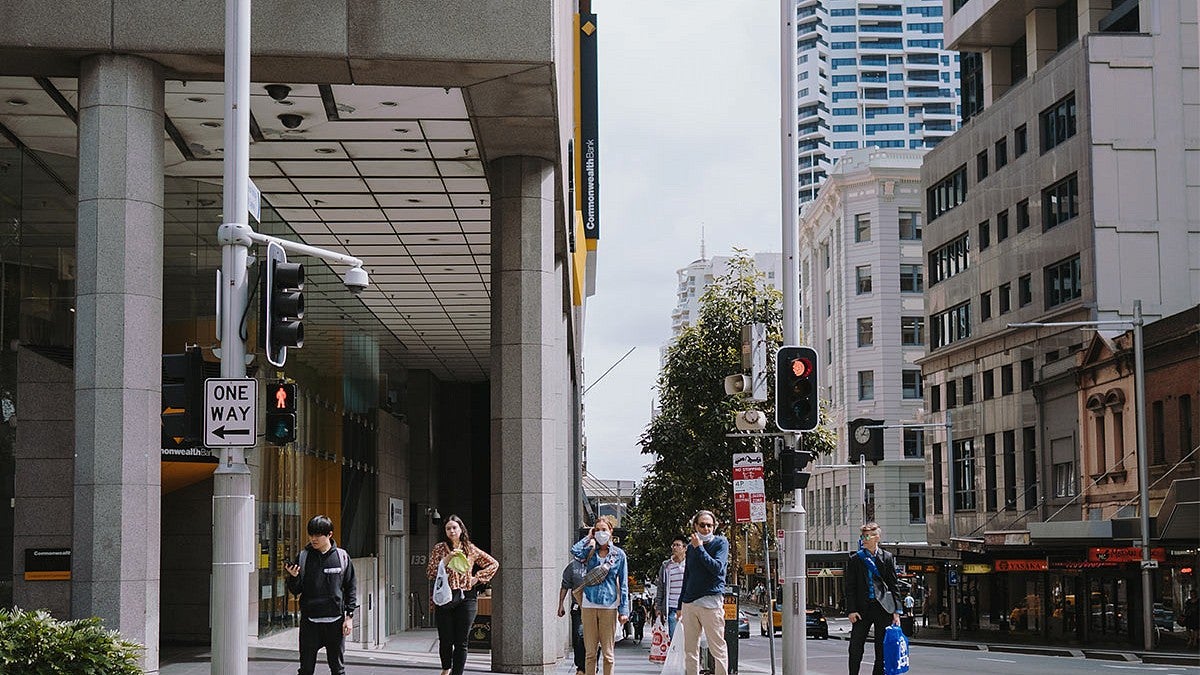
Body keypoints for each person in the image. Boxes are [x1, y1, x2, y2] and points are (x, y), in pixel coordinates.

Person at [425, 515, 499, 675]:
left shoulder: (470, 548)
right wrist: (447, 559)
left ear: (461, 529)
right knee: (445, 639)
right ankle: (446, 668)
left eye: (454, 528)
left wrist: (476, 579)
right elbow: (430, 572)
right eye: (448, 528)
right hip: (444, 597)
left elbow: (493, 564)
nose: (452, 531)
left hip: (466, 597)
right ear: (445, 531)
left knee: (462, 641)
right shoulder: (439, 548)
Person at [284, 515, 358, 675]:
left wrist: (349, 617)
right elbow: (295, 590)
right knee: (306, 670)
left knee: (337, 669)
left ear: (329, 535)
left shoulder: (342, 557)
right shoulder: (303, 557)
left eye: (318, 535)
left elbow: (351, 587)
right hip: (310, 622)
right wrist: (293, 577)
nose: (313, 539)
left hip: (335, 622)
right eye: (311, 534)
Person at [570, 515, 630, 675]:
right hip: (588, 604)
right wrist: (588, 537)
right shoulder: (589, 552)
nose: (600, 533)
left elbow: (623, 584)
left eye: (604, 530)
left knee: (608, 655)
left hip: (609, 606)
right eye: (597, 530)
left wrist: (624, 610)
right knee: (590, 654)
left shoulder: (619, 555)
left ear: (611, 531)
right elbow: (574, 551)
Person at [844, 522, 901, 675]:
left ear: (877, 537)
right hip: (862, 609)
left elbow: (893, 585)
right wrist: (851, 610)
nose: (864, 539)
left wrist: (896, 612)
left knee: (881, 648)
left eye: (867, 536)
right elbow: (850, 587)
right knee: (855, 646)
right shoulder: (856, 559)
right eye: (862, 536)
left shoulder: (887, 557)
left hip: (882, 608)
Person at [678, 510, 729, 675]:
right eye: (702, 525)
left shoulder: (721, 543)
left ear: (714, 527)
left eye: (709, 525)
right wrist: (680, 604)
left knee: (718, 648)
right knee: (690, 650)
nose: (706, 528)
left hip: (711, 602)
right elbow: (688, 575)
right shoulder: (691, 547)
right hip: (690, 603)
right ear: (695, 526)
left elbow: (716, 568)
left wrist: (700, 548)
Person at [557, 557, 587, 675]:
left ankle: (591, 664)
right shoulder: (573, 566)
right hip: (578, 607)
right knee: (579, 636)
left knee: (594, 639)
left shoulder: (598, 563)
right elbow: (565, 586)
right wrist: (561, 605)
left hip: (595, 607)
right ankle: (580, 667)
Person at [654, 535, 688, 640]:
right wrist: (658, 607)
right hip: (672, 607)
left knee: (688, 639)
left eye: (678, 545)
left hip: (687, 607)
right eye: (673, 545)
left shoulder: (690, 564)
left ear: (684, 548)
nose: (675, 547)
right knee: (674, 639)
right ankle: (676, 656)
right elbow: (661, 587)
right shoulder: (666, 566)